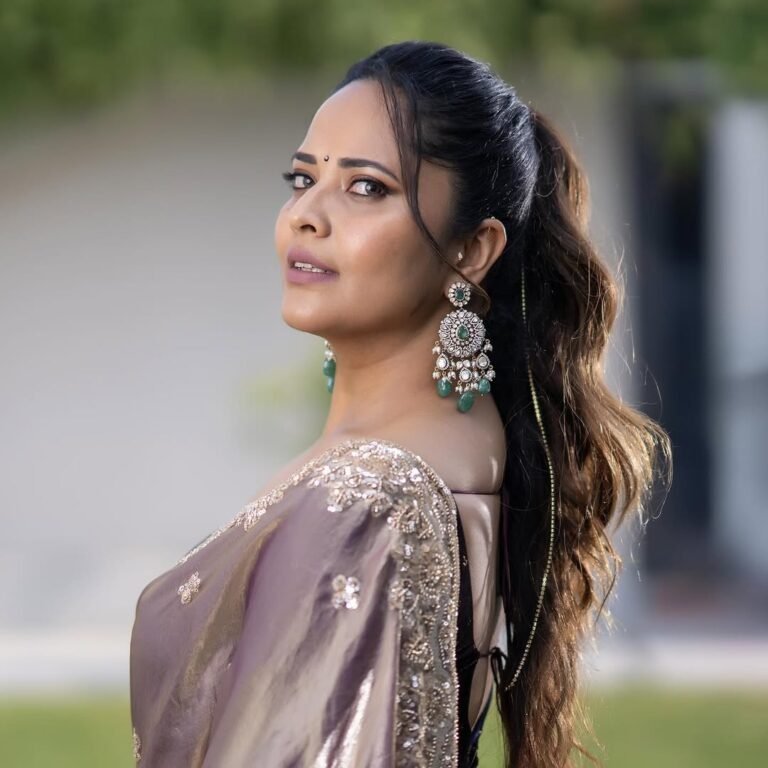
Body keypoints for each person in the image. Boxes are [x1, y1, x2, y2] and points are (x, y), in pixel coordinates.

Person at [129, 41, 671, 767]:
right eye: (302, 178)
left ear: (472, 250)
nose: (307, 217)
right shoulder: (450, 443)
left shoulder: (370, 502)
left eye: (367, 189)